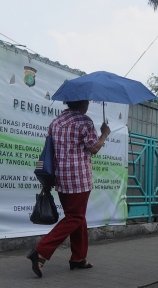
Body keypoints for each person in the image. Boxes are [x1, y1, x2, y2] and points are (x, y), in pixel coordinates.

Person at [27, 100, 110, 278]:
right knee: (75, 217)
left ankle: (78, 258)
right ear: (83, 103)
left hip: (61, 179)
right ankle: (41, 251)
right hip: (78, 179)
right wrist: (104, 134)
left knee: (77, 217)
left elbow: (49, 150)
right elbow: (94, 148)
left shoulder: (56, 121)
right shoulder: (84, 121)